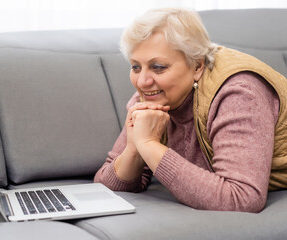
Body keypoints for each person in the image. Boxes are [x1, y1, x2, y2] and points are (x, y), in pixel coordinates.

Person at [94, 8, 287, 213]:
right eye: (135, 67)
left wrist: (148, 145)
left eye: (158, 67)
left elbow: (241, 198)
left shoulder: (238, 94)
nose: (142, 82)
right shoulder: (152, 94)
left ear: (197, 66)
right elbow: (105, 185)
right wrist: (134, 148)